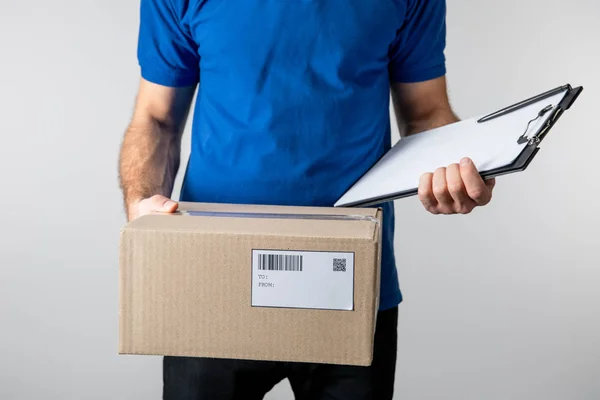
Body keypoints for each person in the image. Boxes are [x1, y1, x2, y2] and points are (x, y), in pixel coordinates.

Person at [118, 0, 495, 398]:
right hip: (213, 274)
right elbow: (156, 118)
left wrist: (461, 165)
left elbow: (426, 112)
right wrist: (142, 206)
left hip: (349, 279)